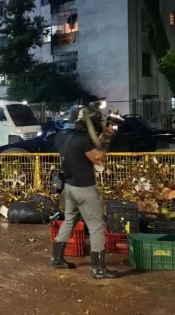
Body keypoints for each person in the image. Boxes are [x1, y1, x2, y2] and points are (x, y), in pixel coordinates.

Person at [51, 111, 120, 279]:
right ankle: (98, 269)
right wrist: (108, 138)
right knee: (96, 226)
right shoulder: (82, 139)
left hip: (69, 187)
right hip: (84, 188)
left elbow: (89, 150)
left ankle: (56, 258)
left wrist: (102, 135)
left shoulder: (61, 136)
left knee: (69, 220)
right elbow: (97, 158)